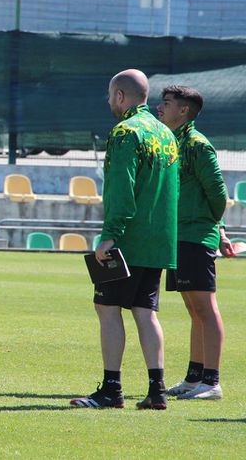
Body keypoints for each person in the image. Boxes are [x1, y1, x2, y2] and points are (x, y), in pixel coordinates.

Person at [70, 69, 178, 410]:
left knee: (107, 307)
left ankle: (112, 390)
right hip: (159, 239)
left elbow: (122, 189)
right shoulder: (166, 134)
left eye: (110, 95)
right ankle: (157, 391)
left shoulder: (125, 132)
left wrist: (109, 236)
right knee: (146, 312)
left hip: (128, 240)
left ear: (120, 96)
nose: (109, 102)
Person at [156, 85, 229, 401]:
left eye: (167, 103)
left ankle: (212, 382)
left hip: (195, 236)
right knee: (193, 309)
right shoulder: (173, 141)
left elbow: (218, 194)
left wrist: (211, 227)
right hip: (179, 236)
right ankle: (193, 377)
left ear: (183, 110)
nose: (160, 108)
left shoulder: (198, 145)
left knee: (205, 308)